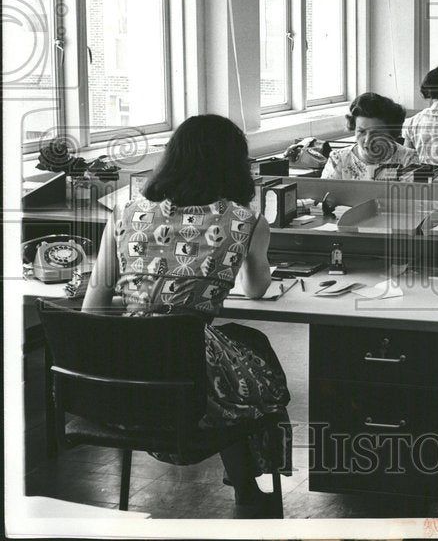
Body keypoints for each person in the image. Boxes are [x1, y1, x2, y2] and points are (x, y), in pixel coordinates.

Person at [82, 115, 289, 518]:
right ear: (236, 164)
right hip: (192, 375)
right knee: (252, 356)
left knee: (232, 352)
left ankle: (245, 486)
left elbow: (94, 306)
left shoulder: (124, 213)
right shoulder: (246, 221)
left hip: (121, 378)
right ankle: (248, 489)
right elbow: (255, 289)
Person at [321, 93, 419, 179]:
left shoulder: (409, 159)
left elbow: (419, 198)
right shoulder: (338, 160)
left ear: (391, 132)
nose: (368, 140)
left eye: (376, 133)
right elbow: (325, 197)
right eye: (362, 131)